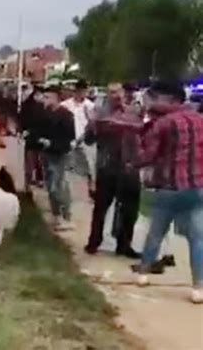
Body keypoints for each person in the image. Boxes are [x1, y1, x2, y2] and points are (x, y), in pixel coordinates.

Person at [117, 82, 203, 304]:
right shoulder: (199, 120)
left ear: (171, 100)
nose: (153, 102)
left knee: (156, 232)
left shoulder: (164, 123)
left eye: (157, 98)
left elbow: (149, 155)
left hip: (169, 186)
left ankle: (144, 274)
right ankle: (198, 287)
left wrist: (132, 162)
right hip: (196, 187)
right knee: (197, 238)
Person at [84, 83, 142, 258]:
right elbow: (88, 140)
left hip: (130, 167)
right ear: (106, 95)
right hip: (107, 167)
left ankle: (124, 244)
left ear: (123, 93)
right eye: (111, 92)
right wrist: (94, 126)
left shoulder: (134, 112)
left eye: (118, 92)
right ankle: (94, 241)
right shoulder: (100, 114)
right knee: (101, 207)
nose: (115, 95)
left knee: (129, 209)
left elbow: (143, 134)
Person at [39, 86, 75, 230]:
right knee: (50, 185)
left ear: (56, 98)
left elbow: (69, 137)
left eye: (48, 97)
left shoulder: (66, 115)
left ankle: (67, 215)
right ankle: (56, 215)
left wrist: (53, 143)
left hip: (60, 154)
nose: (45, 100)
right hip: (46, 153)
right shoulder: (44, 114)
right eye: (44, 97)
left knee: (58, 185)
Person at [61, 79, 96, 197]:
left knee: (89, 163)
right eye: (80, 91)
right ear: (75, 91)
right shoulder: (66, 105)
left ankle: (91, 186)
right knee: (67, 164)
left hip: (85, 138)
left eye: (84, 91)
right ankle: (67, 190)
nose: (82, 94)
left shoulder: (90, 106)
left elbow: (93, 122)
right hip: (69, 137)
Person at [20, 86, 45, 190]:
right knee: (31, 160)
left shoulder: (43, 106)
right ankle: (29, 180)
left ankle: (36, 179)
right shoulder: (28, 105)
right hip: (32, 137)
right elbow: (22, 118)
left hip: (39, 137)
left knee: (38, 160)